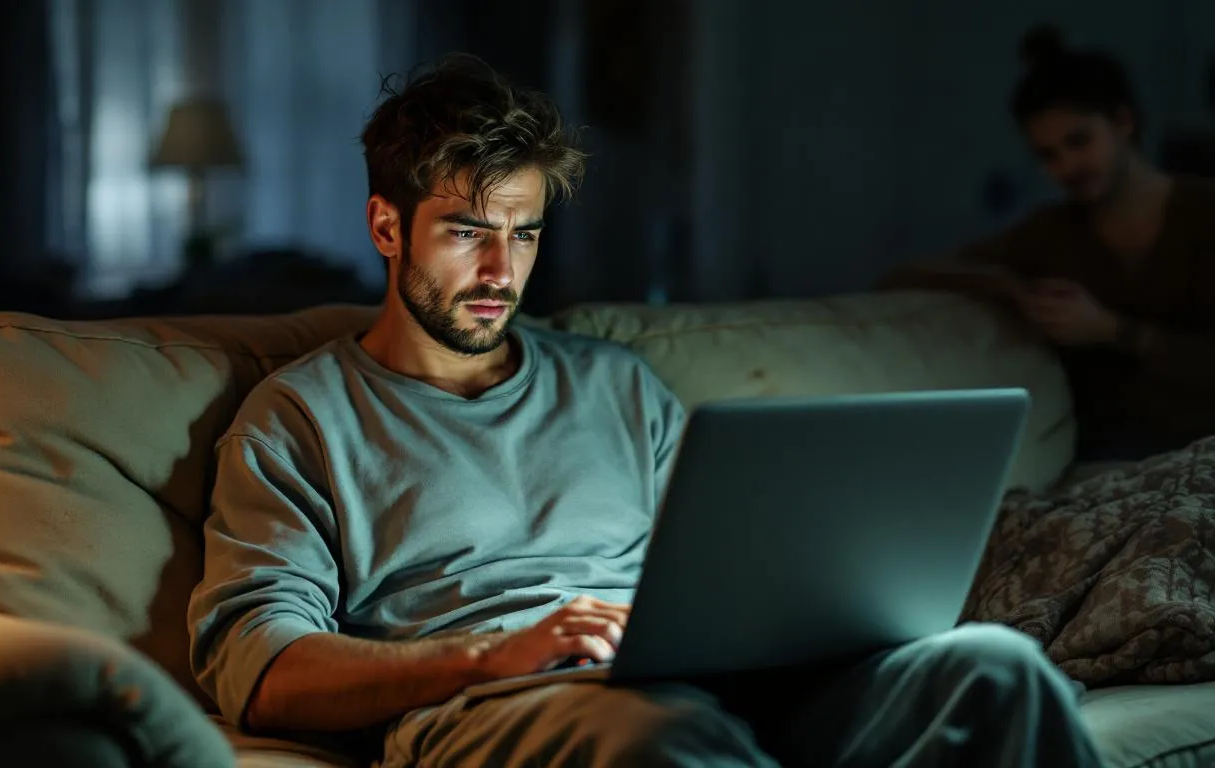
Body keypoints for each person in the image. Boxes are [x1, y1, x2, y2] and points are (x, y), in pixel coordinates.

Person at [188, 55, 1102, 767]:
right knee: (657, 742)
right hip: (505, 709)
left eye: (525, 233)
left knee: (998, 669)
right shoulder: (300, 418)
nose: (503, 275)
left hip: (702, 682)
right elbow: (259, 667)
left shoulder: (614, 384)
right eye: (469, 233)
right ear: (389, 227)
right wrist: (486, 656)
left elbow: (730, 577)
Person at [884, 26, 1215, 462]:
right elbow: (902, 275)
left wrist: (1111, 330)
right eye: (1047, 155)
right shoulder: (1052, 231)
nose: (1067, 166)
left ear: (1122, 122)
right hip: (1103, 460)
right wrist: (1013, 288)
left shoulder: (1203, 212)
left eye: (1079, 141)